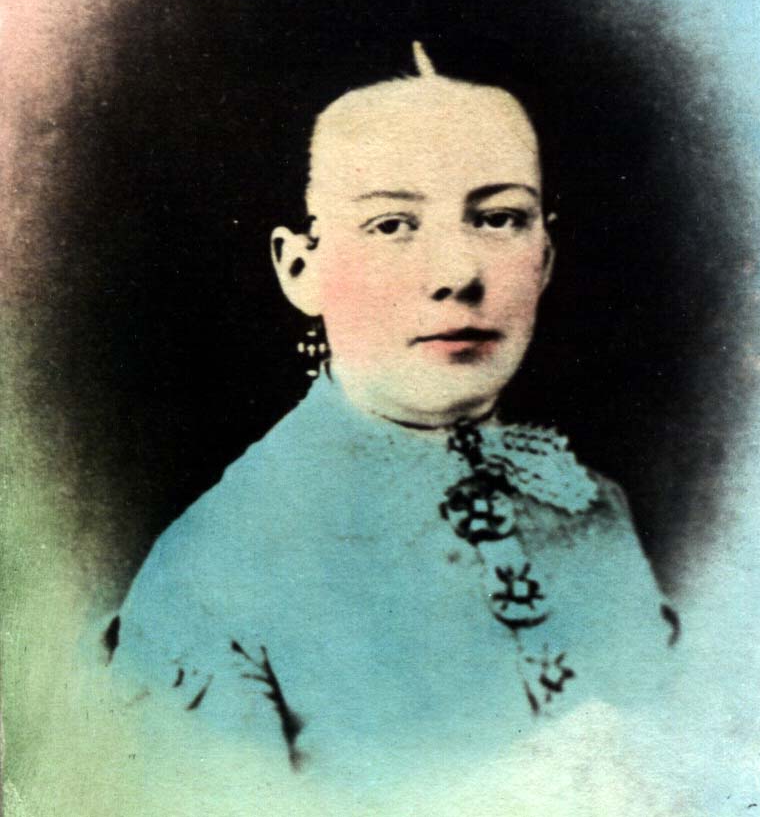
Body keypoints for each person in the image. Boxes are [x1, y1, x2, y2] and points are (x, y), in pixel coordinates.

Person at [106, 41, 679, 787]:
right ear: (301, 268)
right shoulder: (212, 573)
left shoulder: (593, 506)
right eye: (391, 225)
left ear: (544, 258)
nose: (458, 274)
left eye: (500, 218)